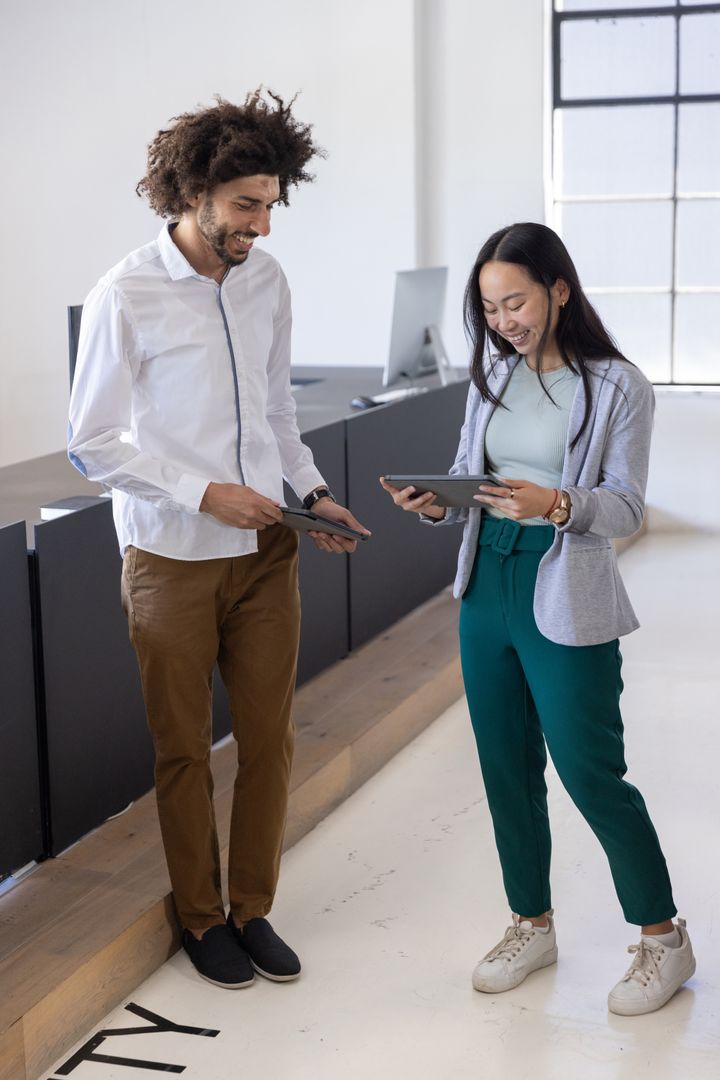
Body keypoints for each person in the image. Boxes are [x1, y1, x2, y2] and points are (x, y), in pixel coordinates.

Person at [68, 91, 368, 990]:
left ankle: (254, 907)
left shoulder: (267, 281)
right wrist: (205, 493)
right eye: (246, 205)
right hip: (169, 557)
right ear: (192, 193)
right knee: (185, 748)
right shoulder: (126, 292)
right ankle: (203, 920)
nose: (262, 225)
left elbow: (276, 411)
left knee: (271, 739)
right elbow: (92, 443)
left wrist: (312, 493)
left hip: (266, 552)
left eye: (271, 205)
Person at [380, 222, 694, 1017]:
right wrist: (433, 503)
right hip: (486, 582)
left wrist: (554, 502)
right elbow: (466, 476)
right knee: (504, 768)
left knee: (590, 772)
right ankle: (532, 922)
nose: (503, 320)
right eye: (488, 308)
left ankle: (663, 939)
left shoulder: (619, 384)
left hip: (566, 587)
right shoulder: (493, 378)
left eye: (514, 300)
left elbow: (623, 509)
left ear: (558, 290)